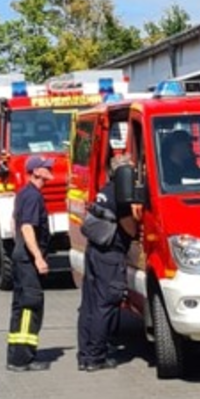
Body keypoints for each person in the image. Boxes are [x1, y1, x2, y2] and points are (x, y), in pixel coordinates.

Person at [76, 154, 140, 372]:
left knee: (89, 305)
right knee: (106, 305)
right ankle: (96, 357)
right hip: (110, 256)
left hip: (94, 251)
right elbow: (130, 228)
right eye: (132, 170)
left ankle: (85, 355)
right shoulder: (122, 194)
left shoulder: (106, 190)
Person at [5, 155, 54, 372]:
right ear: (36, 172)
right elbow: (26, 228)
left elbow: (16, 222)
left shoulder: (25, 194)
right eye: (46, 168)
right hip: (27, 260)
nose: (50, 170)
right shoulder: (33, 197)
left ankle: (17, 355)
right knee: (29, 307)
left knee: (21, 306)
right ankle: (22, 359)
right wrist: (38, 257)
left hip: (21, 258)